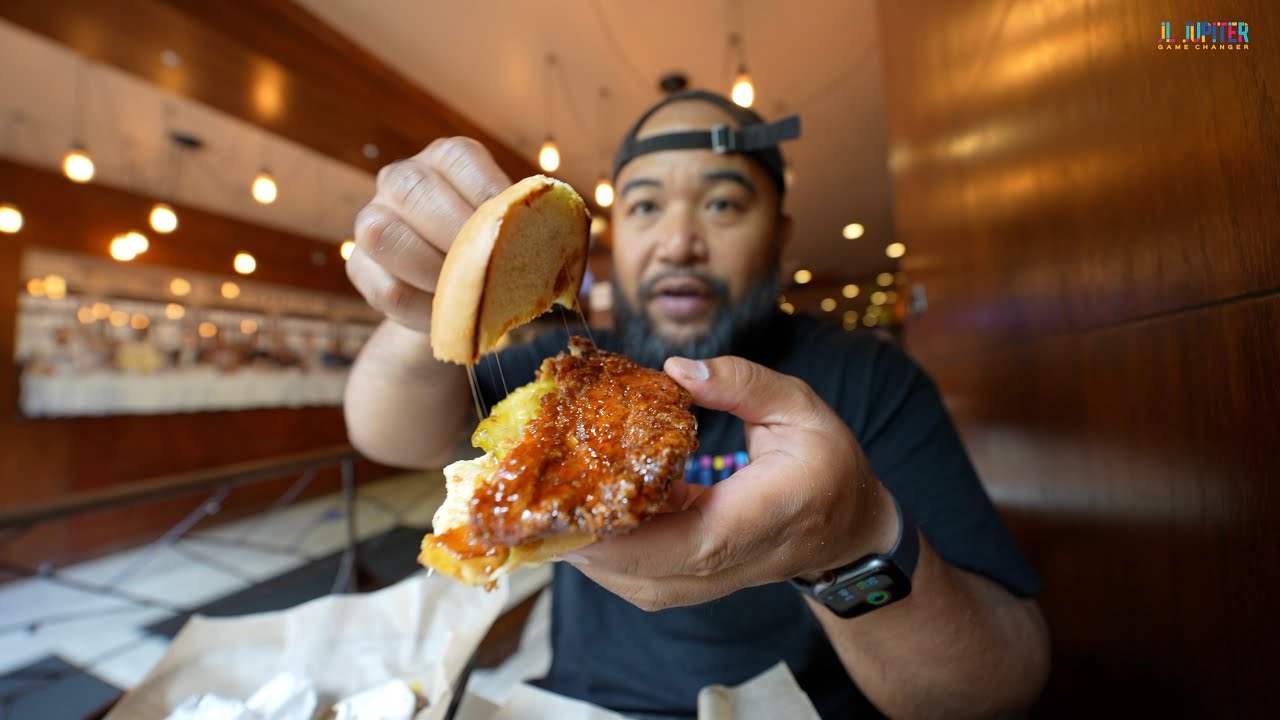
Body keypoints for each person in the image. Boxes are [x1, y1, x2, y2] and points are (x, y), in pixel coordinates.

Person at [344, 90, 1050, 718]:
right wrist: (427, 308)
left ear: (779, 232)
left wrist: (854, 533)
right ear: (614, 241)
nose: (679, 241)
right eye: (646, 205)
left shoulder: (870, 379)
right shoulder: (563, 375)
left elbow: (1000, 686)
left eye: (721, 203)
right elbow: (389, 435)